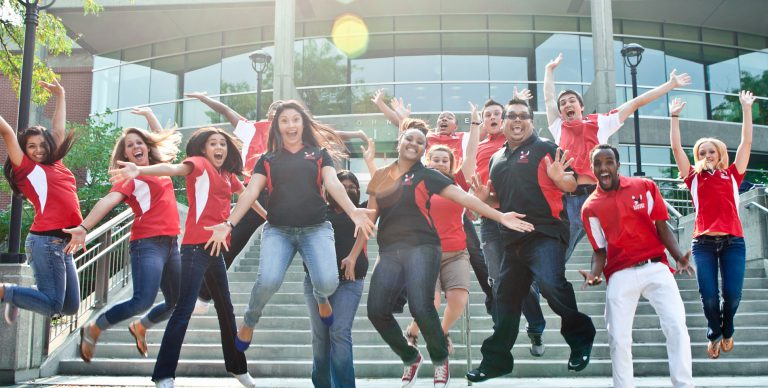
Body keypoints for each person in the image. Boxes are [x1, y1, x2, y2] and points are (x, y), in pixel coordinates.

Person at [348, 119, 534, 388]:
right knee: (376, 311)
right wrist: (355, 255)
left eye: (420, 142)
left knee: (421, 306)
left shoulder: (427, 174)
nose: (414, 144)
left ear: (424, 149)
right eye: (409, 139)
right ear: (400, 142)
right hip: (390, 250)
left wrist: (500, 216)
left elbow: (464, 198)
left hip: (423, 247)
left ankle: (439, 357)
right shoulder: (381, 177)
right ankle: (410, 356)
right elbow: (370, 219)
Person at [204, 100, 375, 355]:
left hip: (316, 228)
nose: (290, 125)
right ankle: (250, 321)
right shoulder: (268, 159)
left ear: (303, 123)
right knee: (268, 281)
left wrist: (353, 211)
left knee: (328, 283)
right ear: (277, 126)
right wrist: (229, 224)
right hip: (279, 230)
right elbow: (250, 192)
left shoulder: (319, 154)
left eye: (295, 119)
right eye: (284, 121)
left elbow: (333, 184)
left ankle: (320, 297)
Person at [110, 127, 255, 388]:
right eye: (213, 143)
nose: (219, 147)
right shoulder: (197, 164)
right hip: (194, 250)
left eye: (223, 143)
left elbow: (248, 197)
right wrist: (139, 170)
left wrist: (270, 217)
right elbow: (174, 169)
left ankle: (237, 367)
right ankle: (164, 375)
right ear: (203, 148)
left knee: (226, 309)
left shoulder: (227, 175)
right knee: (183, 310)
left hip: (216, 250)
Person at [466, 98, 595, 383]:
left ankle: (581, 338)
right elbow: (498, 198)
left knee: (550, 284)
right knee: (505, 299)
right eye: (511, 115)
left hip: (545, 233)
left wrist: (562, 180)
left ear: (530, 121)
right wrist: (485, 199)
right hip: (511, 239)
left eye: (523, 116)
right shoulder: (496, 158)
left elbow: (571, 183)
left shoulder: (546, 147)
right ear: (505, 121)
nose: (516, 120)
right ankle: (496, 361)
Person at [543, 53, 692, 261]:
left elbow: (635, 103)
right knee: (559, 255)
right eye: (563, 103)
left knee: (617, 250)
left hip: (600, 197)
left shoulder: (600, 122)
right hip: (571, 201)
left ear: (581, 106)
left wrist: (669, 85)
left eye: (571, 101)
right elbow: (549, 97)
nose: (567, 105)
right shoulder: (559, 127)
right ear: (560, 111)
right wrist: (549, 71)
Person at [71, 107, 182, 362]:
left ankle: (141, 327)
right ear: (125, 154)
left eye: (139, 143)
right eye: (130, 145)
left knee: (176, 301)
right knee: (143, 299)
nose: (136, 147)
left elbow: (159, 136)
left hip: (171, 244)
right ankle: (94, 327)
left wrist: (149, 116)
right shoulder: (130, 177)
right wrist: (84, 227)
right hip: (147, 245)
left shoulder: (158, 168)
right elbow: (109, 199)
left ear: (147, 147)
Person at [580, 144, 695, 388]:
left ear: (618, 164)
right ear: (591, 169)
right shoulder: (590, 207)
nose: (603, 167)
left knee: (676, 325)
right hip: (620, 274)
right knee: (618, 339)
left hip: (656, 267)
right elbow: (599, 250)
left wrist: (678, 257)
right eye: (597, 163)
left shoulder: (644, 187)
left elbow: (662, 227)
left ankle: (684, 384)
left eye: (608, 161)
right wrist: (594, 274)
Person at [668, 91, 755, 358]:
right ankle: (713, 332)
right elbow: (676, 149)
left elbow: (746, 142)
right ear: (699, 156)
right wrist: (674, 117)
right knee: (708, 296)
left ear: (720, 155)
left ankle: (726, 330)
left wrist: (746, 109)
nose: (707, 154)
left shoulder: (732, 175)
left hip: (733, 243)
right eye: (702, 151)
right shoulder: (693, 178)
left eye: (712, 151)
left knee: (733, 295)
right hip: (703, 244)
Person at [402, 101, 481, 355]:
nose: (438, 163)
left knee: (458, 300)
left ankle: (442, 332)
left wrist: (475, 123)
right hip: (425, 254)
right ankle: (413, 332)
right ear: (427, 161)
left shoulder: (457, 182)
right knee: (432, 302)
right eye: (434, 159)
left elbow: (471, 154)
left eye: (444, 160)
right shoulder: (420, 180)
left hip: (456, 252)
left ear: (450, 164)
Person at [0, 79, 81, 323]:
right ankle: (7, 292)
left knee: (70, 307)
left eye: (42, 145)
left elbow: (56, 130)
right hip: (46, 241)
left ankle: (16, 296)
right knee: (53, 304)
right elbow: (6, 132)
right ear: (24, 151)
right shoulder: (27, 170)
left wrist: (61, 95)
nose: (38, 150)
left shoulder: (56, 164)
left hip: (64, 244)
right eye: (31, 146)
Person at [474, 97, 547, 356]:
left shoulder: (517, 144)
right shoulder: (480, 148)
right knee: (497, 279)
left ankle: (535, 327)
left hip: (517, 216)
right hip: (490, 219)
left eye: (497, 113)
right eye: (488, 115)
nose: (493, 118)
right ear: (484, 121)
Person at [304, 169, 369, 388]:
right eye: (344, 185)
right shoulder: (316, 211)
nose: (350, 189)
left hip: (350, 281)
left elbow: (381, 188)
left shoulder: (362, 211)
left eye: (353, 186)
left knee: (339, 332)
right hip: (317, 284)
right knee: (321, 338)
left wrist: (371, 160)